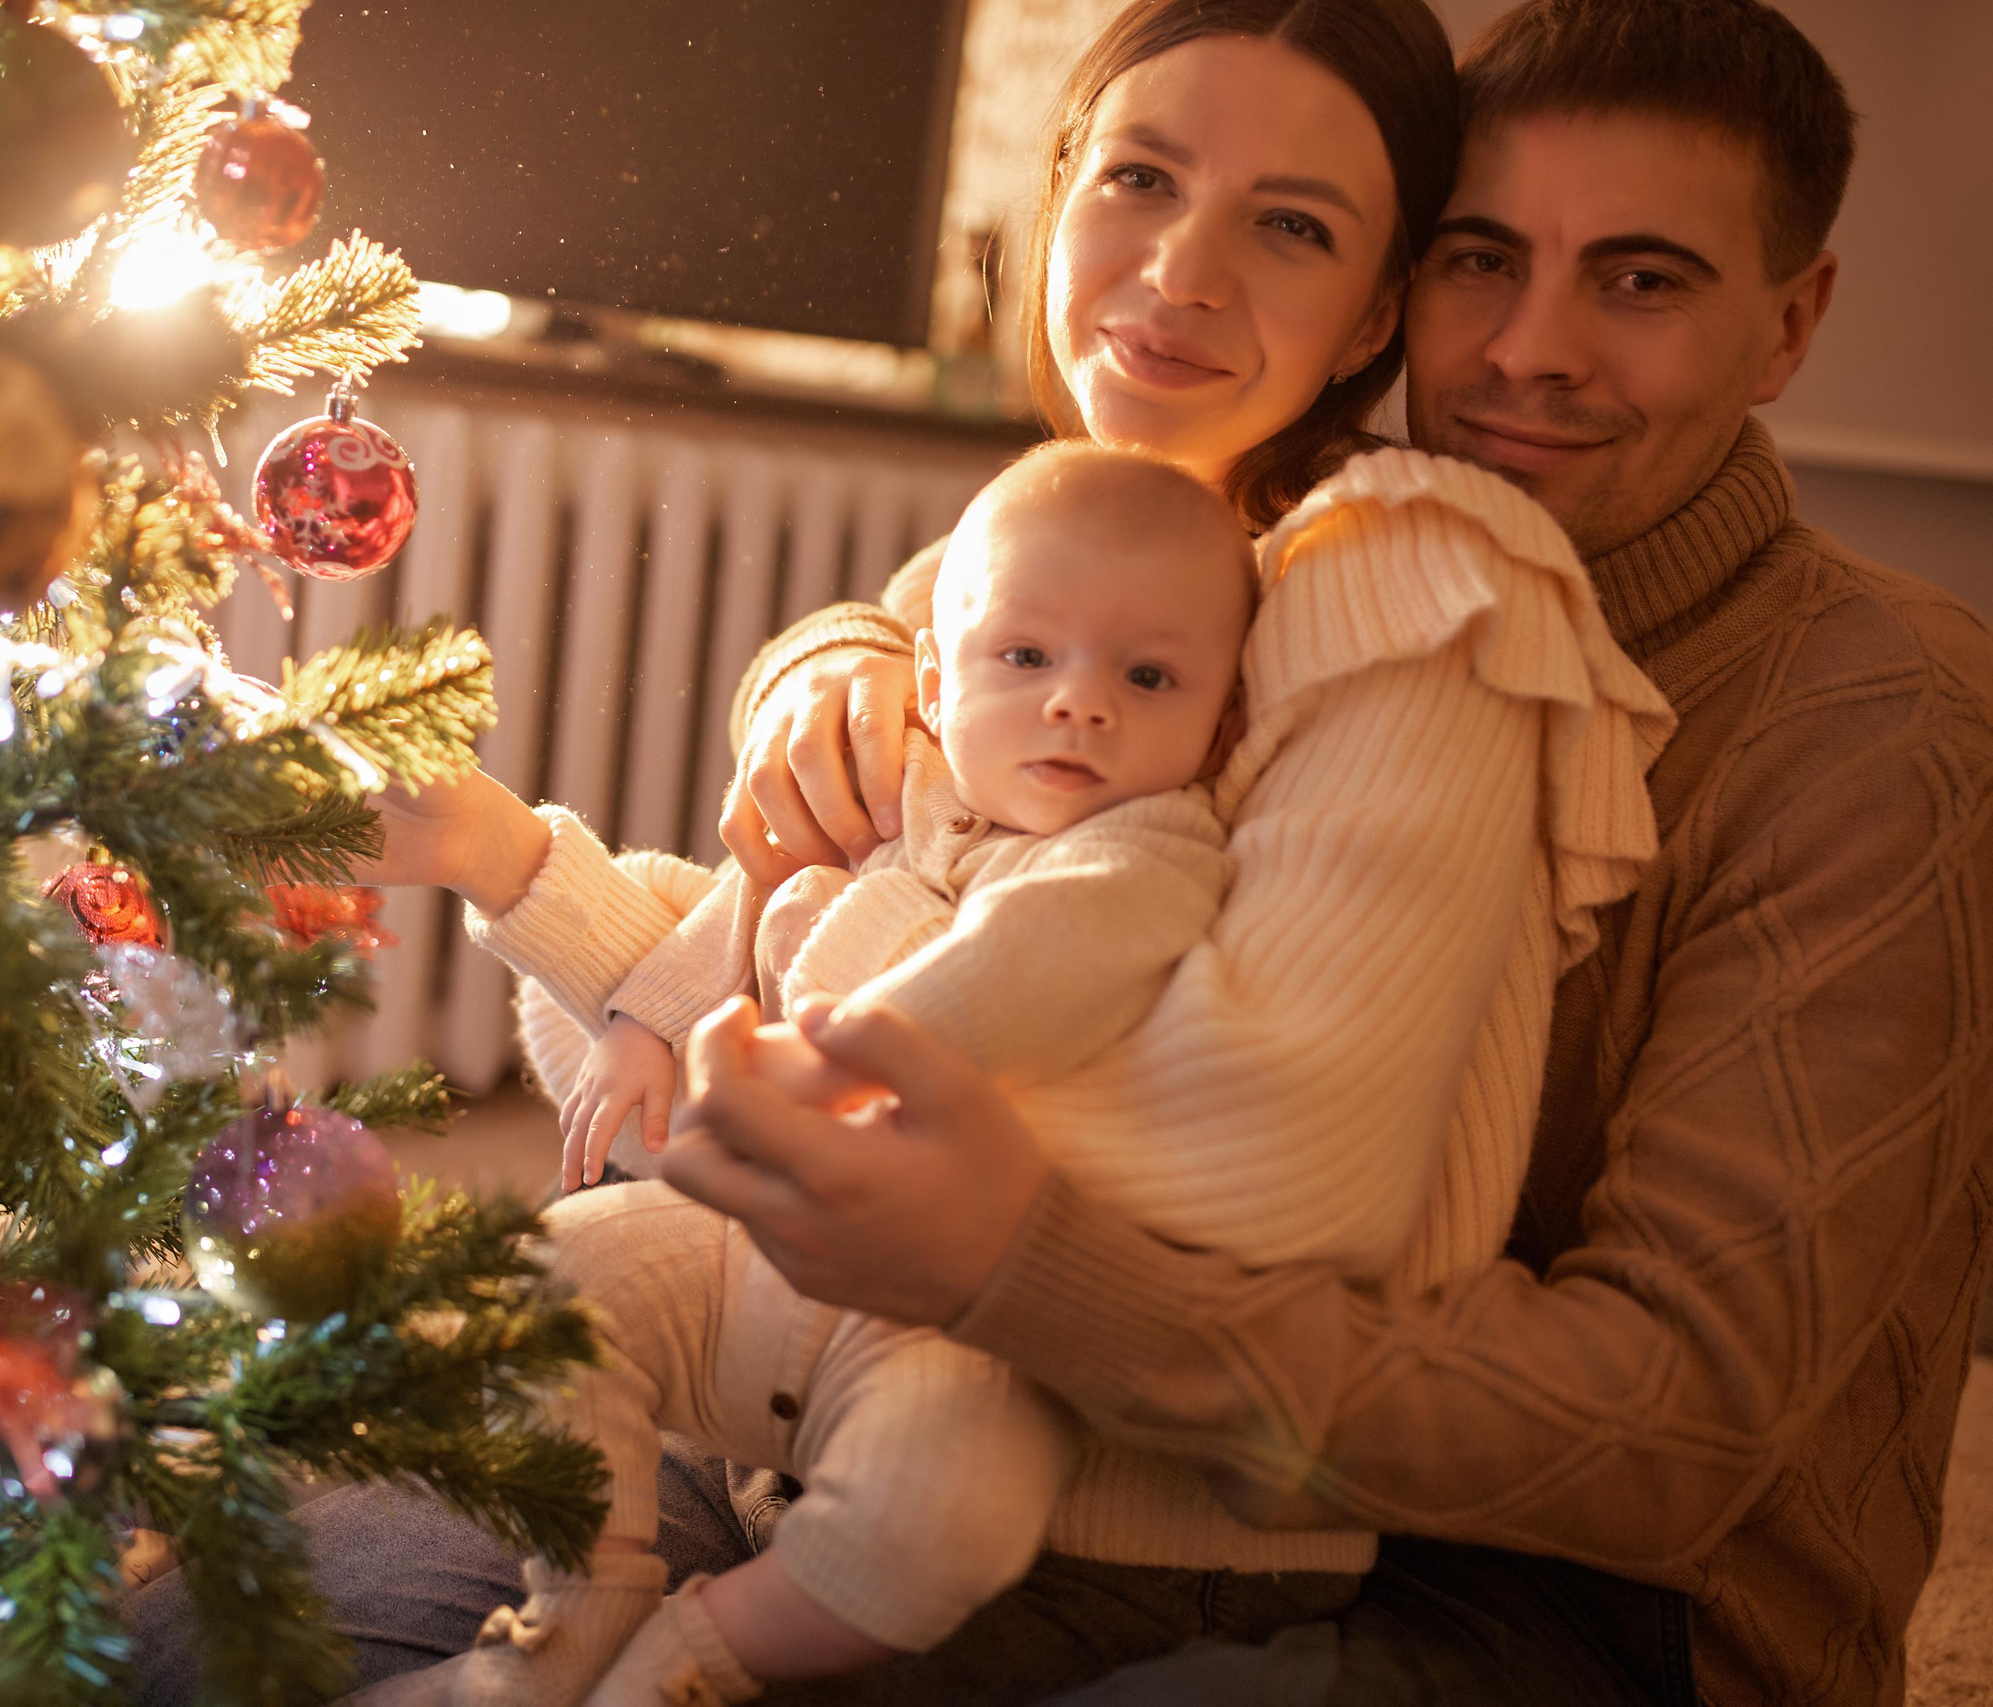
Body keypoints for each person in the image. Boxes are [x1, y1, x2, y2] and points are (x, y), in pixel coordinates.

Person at [665, 2, 1993, 1705]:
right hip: (1098, 1454)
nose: (1531, 351)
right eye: (1480, 260)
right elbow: (980, 636)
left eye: (1641, 281)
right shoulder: (1312, 533)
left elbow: (1679, 1429)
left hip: (1601, 1607)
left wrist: (1014, 1259)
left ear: (1789, 322)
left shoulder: (1895, 721)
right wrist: (835, 650)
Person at [395, 450, 1298, 1707]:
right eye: (1026, 660)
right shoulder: (901, 797)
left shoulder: (1146, 854)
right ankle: (584, 1595)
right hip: (751, 1252)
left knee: (947, 1503)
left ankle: (701, 1653)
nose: (1078, 706)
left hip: (936, 1313)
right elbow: (745, 912)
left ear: (1222, 720)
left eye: (1146, 677)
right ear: (935, 681)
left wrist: (826, 1056)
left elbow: (1018, 977)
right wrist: (648, 1022)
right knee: (552, 1275)